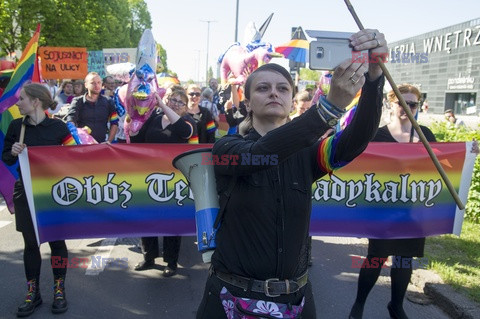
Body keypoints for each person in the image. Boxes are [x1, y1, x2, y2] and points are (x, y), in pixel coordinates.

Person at [196, 29, 387, 318]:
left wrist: (373, 79)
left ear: (291, 100)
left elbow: (356, 139)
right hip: (229, 300)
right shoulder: (227, 147)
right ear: (247, 103)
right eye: (263, 88)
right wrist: (328, 108)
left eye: (283, 88)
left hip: (296, 301)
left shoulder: (309, 154)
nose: (274, 92)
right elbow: (259, 155)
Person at [348, 84, 436, 319]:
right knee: (376, 256)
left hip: (414, 210)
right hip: (383, 209)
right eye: (401, 102)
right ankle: (358, 305)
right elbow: (360, 169)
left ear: (419, 107)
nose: (407, 108)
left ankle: (396, 306)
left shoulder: (426, 135)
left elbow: (443, 166)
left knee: (404, 259)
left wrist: (467, 154)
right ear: (391, 104)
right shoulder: (377, 136)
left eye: (413, 104)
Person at [2, 83, 77, 317]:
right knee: (31, 246)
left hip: (54, 195)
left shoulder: (58, 127)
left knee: (56, 243)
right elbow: (5, 157)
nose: (18, 102)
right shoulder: (16, 126)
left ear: (35, 102)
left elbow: (76, 157)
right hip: (25, 193)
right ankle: (32, 294)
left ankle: (59, 290)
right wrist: (13, 151)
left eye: (21, 98)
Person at [131, 88, 198, 277]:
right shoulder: (153, 119)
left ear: (185, 107)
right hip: (149, 177)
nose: (175, 103)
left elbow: (184, 132)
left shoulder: (188, 121)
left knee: (171, 221)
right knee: (147, 218)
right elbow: (137, 141)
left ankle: (171, 261)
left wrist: (162, 105)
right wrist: (132, 122)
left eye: (180, 101)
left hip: (174, 180)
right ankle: (148, 257)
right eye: (171, 99)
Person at [66, 72, 119, 143]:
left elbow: (114, 123)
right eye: (93, 83)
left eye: (99, 82)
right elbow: (70, 121)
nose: (96, 85)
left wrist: (109, 141)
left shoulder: (109, 101)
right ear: (86, 85)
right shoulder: (77, 101)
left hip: (102, 144)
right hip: (83, 145)